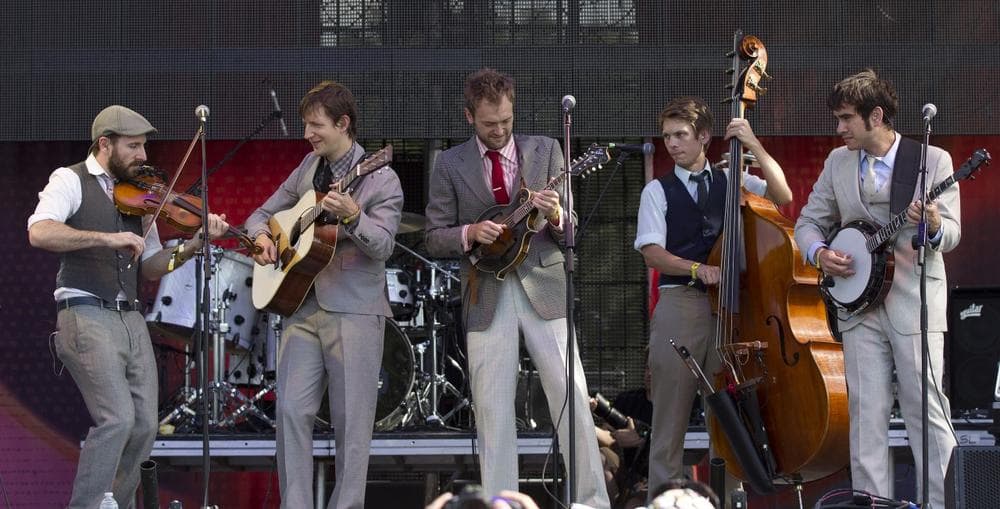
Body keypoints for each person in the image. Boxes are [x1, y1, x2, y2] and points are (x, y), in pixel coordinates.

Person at [27, 105, 230, 509]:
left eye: (144, 146)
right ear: (105, 144)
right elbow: (40, 231)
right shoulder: (70, 179)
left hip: (131, 317)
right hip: (85, 311)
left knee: (144, 426)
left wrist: (189, 248)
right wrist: (105, 239)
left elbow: (150, 265)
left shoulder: (138, 195)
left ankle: (115, 503)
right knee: (117, 418)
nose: (143, 156)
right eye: (133, 146)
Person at [424, 68, 609, 507]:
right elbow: (433, 235)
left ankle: (592, 500)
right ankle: (500, 502)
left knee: (572, 395)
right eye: (490, 123)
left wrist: (559, 213)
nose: (500, 129)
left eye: (506, 120)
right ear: (469, 116)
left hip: (544, 285)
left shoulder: (545, 149)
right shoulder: (449, 164)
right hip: (486, 293)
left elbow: (572, 230)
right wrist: (470, 232)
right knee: (491, 408)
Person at [793, 69, 958, 508]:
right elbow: (808, 222)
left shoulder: (932, 161)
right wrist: (819, 253)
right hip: (858, 309)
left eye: (847, 118)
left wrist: (936, 225)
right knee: (866, 418)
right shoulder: (837, 163)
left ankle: (944, 504)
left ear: (877, 116)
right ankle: (873, 504)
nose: (839, 128)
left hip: (913, 303)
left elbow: (953, 233)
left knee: (927, 413)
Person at [246, 80, 403, 509]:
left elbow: (385, 246)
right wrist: (262, 236)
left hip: (354, 310)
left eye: (316, 125)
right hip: (302, 306)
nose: (307, 134)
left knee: (351, 425)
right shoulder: (307, 167)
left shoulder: (380, 178)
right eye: (305, 124)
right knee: (291, 413)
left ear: (344, 124)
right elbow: (259, 214)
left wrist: (354, 216)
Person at [634, 96, 793, 498]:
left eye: (681, 135)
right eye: (667, 136)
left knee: (728, 420)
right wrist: (695, 268)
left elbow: (783, 194)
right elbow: (651, 252)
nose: (671, 144)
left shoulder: (732, 180)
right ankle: (663, 503)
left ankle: (728, 501)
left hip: (731, 309)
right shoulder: (657, 190)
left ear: (704, 136)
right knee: (668, 422)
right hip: (681, 304)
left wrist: (752, 144)